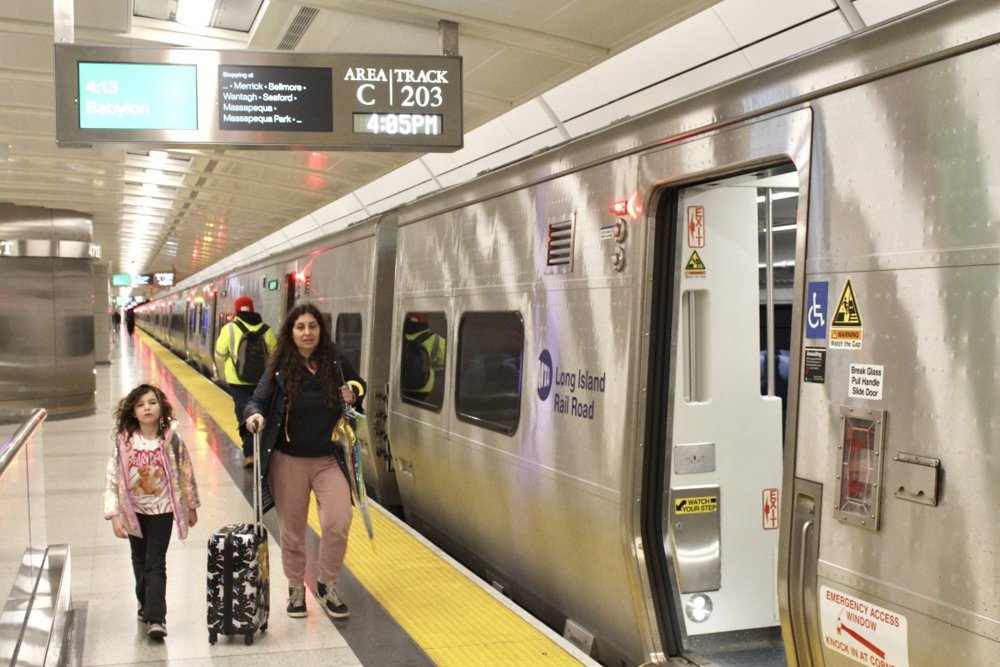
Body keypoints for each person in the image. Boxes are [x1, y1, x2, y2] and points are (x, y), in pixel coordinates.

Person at [244, 302, 366, 620]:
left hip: (328, 458)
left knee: (338, 523)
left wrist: (354, 392)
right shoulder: (280, 366)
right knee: (293, 532)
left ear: (320, 331)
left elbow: (360, 386)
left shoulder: (335, 361)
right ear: (291, 332)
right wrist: (254, 415)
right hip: (288, 460)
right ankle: (296, 587)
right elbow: (257, 398)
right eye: (300, 327)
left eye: (312, 326)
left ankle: (326, 585)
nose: (307, 332)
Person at [103, 383, 201, 641]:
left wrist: (190, 506)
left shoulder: (172, 441)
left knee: (155, 562)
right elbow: (112, 478)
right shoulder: (124, 443)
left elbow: (186, 474)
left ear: (161, 408)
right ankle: (144, 601)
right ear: (133, 412)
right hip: (133, 512)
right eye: (140, 404)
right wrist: (114, 515)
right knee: (139, 560)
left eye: (152, 402)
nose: (147, 408)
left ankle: (156, 618)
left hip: (163, 511)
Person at [214, 296, 276, 468]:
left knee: (244, 415)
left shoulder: (230, 328)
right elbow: (274, 356)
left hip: (237, 381)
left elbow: (220, 354)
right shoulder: (266, 330)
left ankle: (249, 454)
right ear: (253, 308)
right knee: (263, 413)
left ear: (237, 310)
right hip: (261, 382)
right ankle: (264, 453)